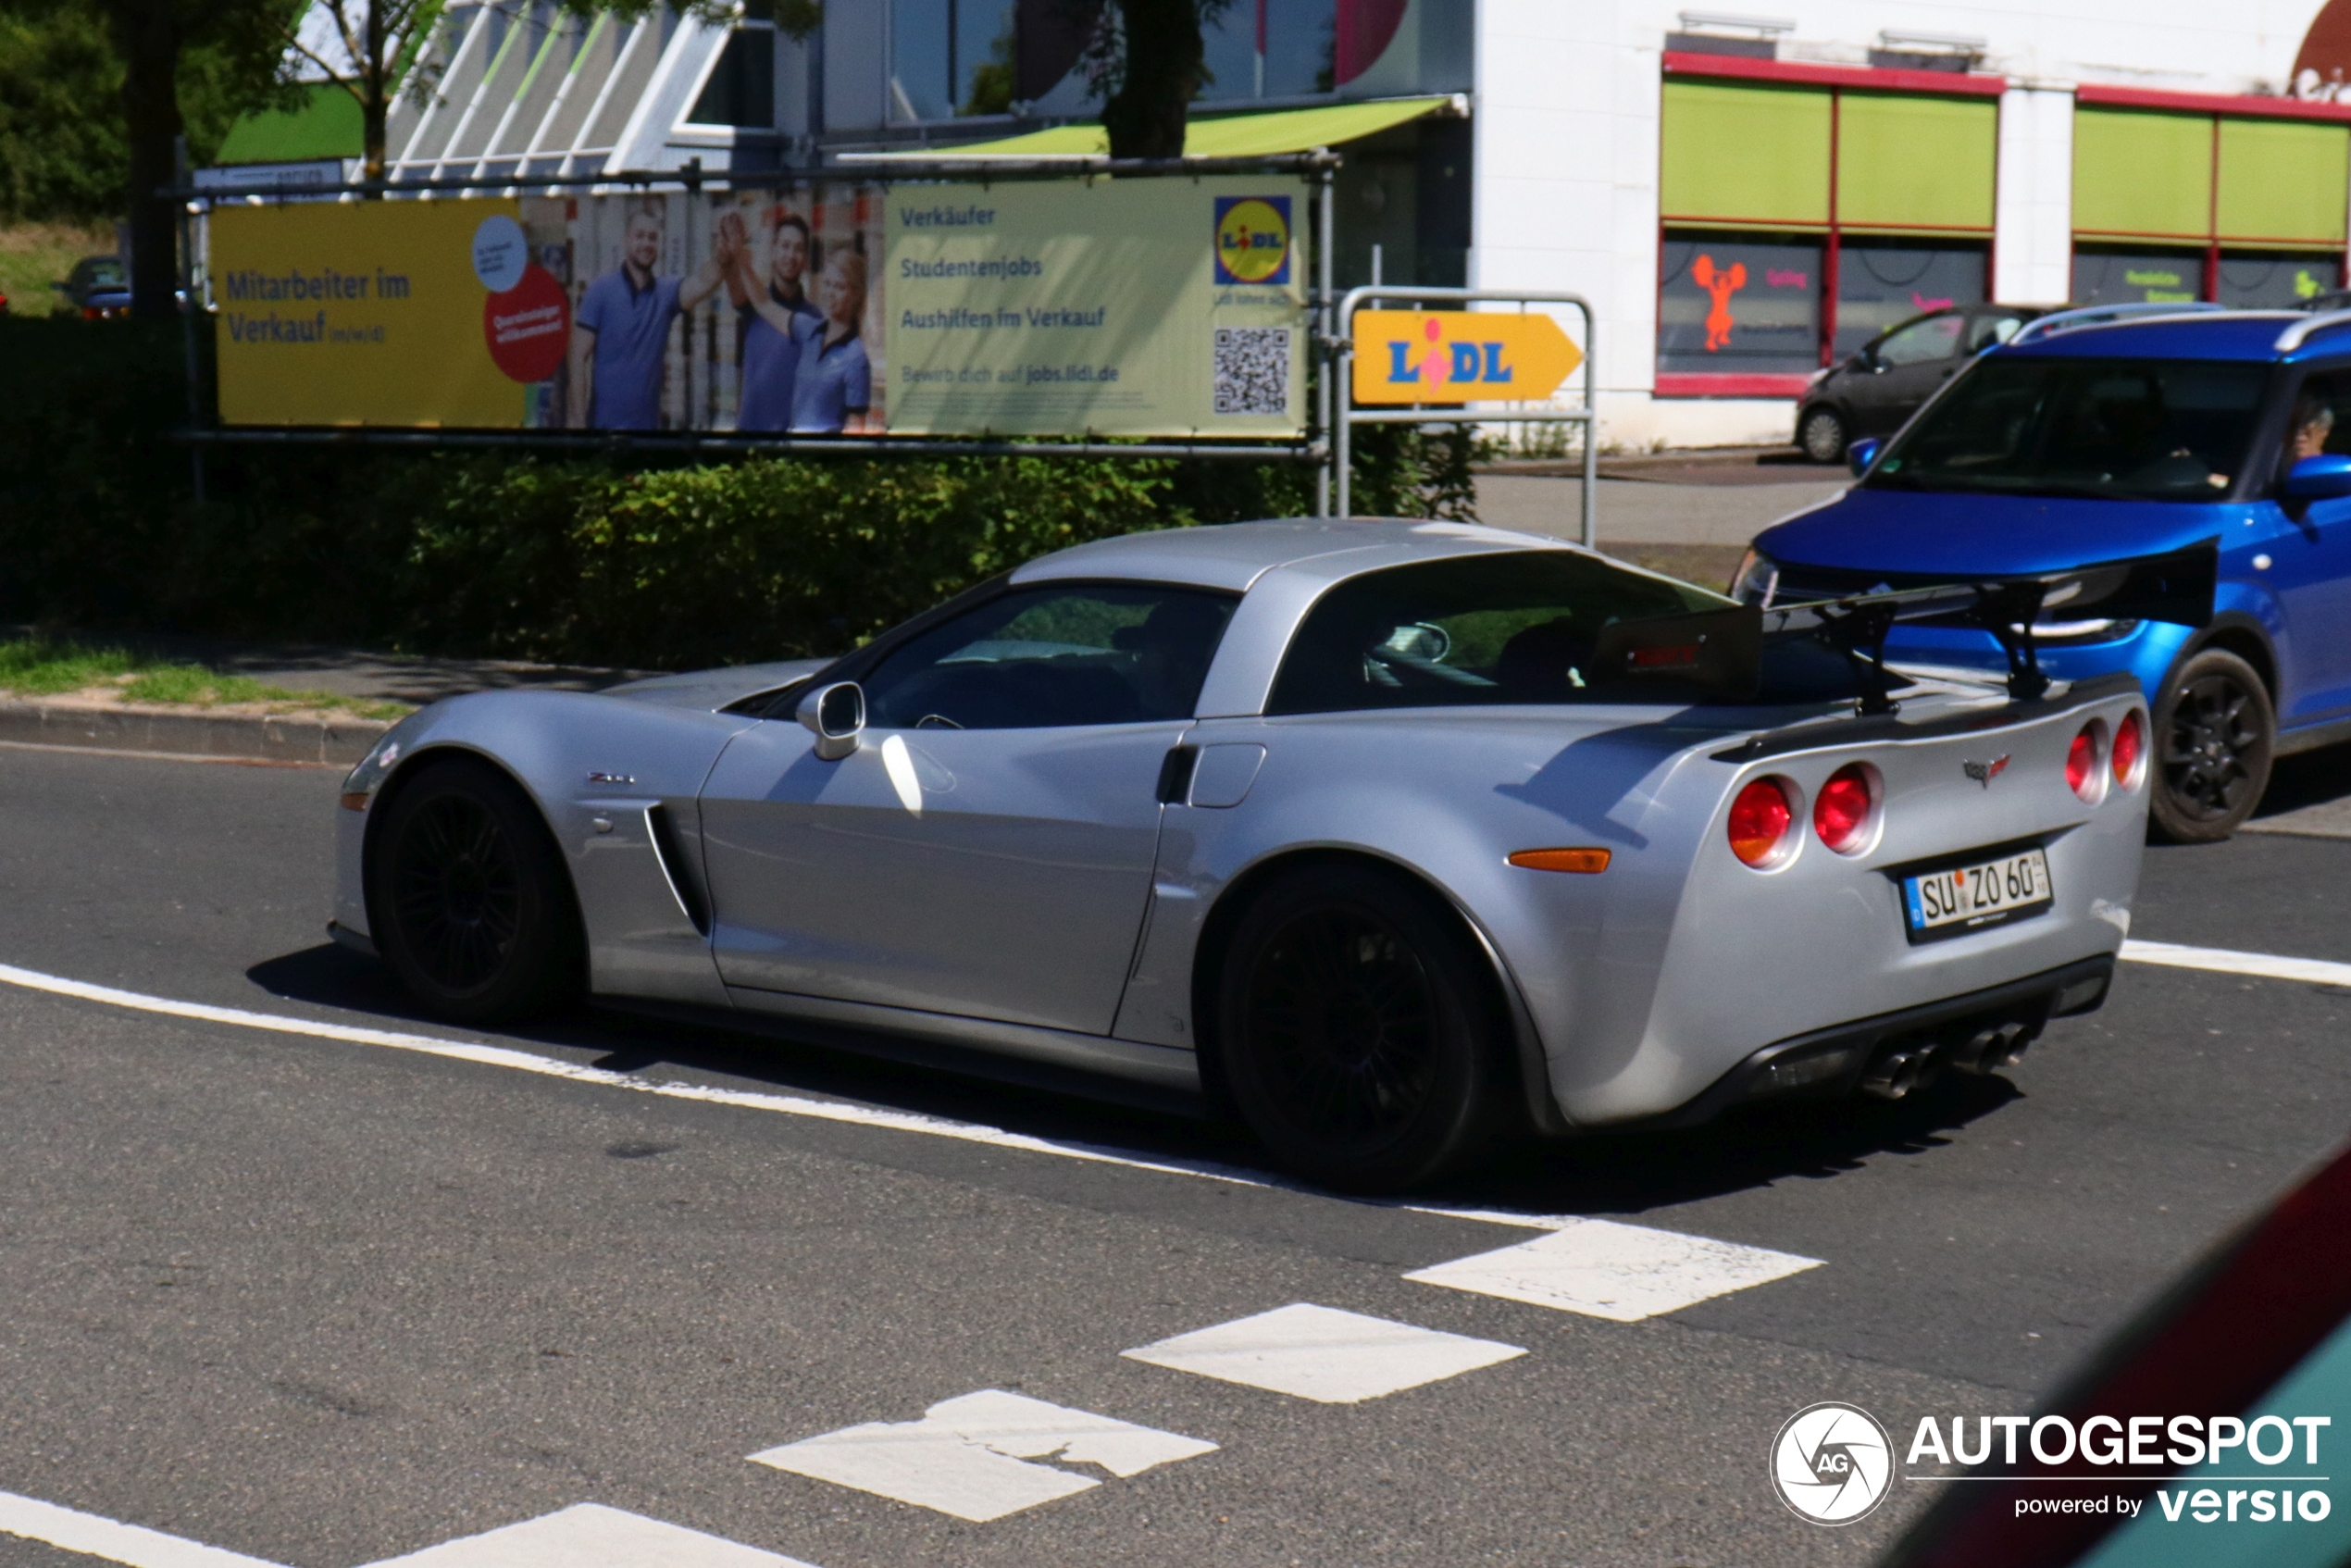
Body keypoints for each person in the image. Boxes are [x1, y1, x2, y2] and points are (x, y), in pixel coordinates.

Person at [566, 203, 730, 429]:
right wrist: (578, 422)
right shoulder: (600, 291)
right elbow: (577, 356)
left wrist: (723, 256)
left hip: (647, 436)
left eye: (653, 238)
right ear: (626, 240)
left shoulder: (666, 294)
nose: (646, 243)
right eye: (639, 236)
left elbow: (703, 281)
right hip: (602, 433)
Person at [726, 209, 821, 433]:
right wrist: (732, 252)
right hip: (751, 440)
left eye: (798, 248)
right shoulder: (751, 305)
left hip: (793, 443)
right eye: (785, 246)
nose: (790, 255)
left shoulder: (813, 319)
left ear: (805, 259)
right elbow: (735, 286)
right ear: (773, 251)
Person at [789, 248, 872, 434]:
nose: (830, 293)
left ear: (856, 294)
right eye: (827, 284)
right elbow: (764, 305)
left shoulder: (856, 357)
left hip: (824, 456)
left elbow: (856, 427)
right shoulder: (810, 330)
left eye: (839, 287)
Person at [2286, 393, 2335, 466]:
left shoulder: (2332, 472)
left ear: (2324, 429)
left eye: (2306, 421)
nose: (2298, 430)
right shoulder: (2269, 470)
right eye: (2292, 424)